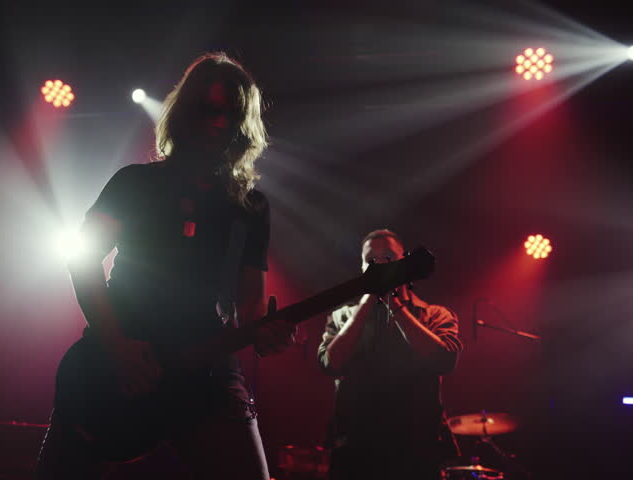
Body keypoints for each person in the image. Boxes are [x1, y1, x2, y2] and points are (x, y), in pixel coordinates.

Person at [35, 52, 297, 480]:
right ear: (184, 114)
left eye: (230, 113)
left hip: (207, 372)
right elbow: (82, 259)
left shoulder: (250, 207)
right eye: (207, 110)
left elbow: (251, 309)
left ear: (242, 122)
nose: (218, 122)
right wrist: (116, 343)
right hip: (118, 361)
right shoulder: (135, 183)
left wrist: (268, 335)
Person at [317, 229, 463, 479]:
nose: (379, 265)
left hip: (417, 449)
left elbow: (444, 360)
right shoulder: (342, 316)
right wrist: (368, 301)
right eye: (371, 260)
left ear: (404, 262)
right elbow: (331, 363)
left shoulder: (435, 315)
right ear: (362, 268)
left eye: (387, 258)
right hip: (354, 448)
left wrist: (394, 302)